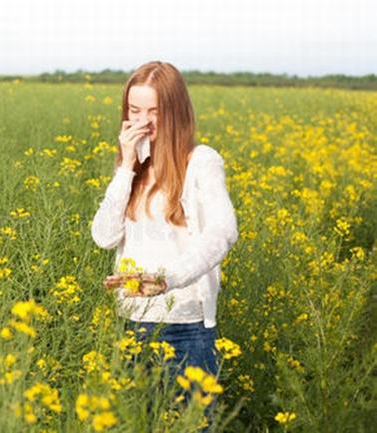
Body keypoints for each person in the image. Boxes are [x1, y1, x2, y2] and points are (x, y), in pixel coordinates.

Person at [90, 61, 239, 431]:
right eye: (135, 110)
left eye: (154, 111)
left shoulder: (201, 162)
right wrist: (125, 165)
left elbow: (223, 231)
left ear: (176, 110)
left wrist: (167, 278)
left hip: (184, 329)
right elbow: (103, 236)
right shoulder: (133, 166)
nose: (144, 120)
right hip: (130, 325)